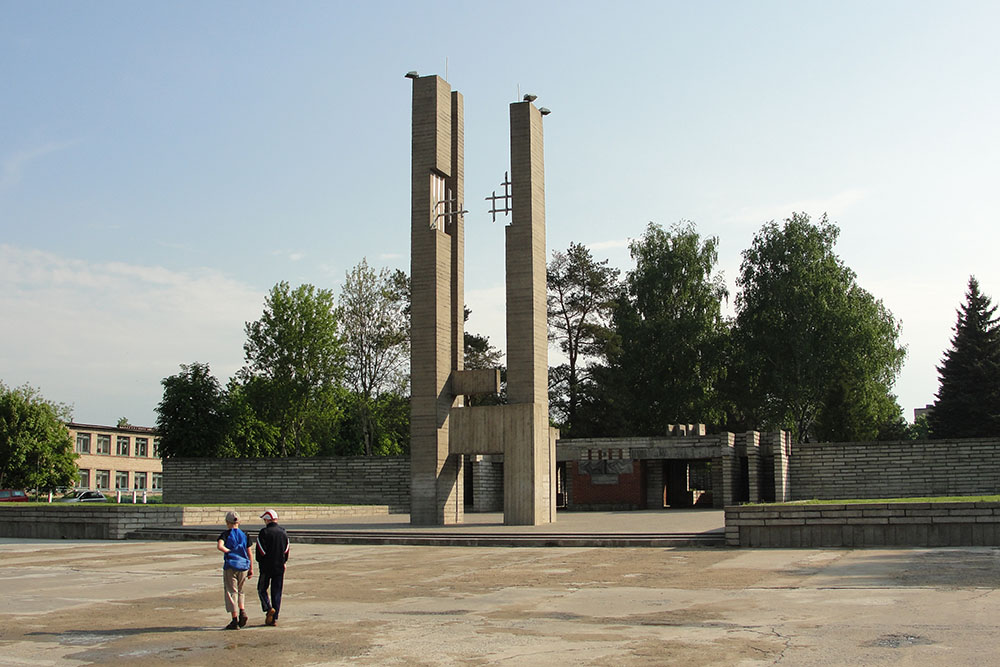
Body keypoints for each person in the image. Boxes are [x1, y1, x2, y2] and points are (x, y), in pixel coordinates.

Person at [216, 510, 253, 630]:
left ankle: (234, 618)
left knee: (231, 591)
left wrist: (228, 552)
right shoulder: (245, 535)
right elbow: (249, 552)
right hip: (243, 565)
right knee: (241, 590)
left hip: (231, 565)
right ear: (239, 522)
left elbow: (219, 546)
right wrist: (251, 567)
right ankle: (242, 610)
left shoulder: (226, 535)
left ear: (227, 522)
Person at [255, 508, 289, 626]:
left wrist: (261, 562)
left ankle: (268, 608)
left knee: (261, 588)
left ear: (267, 520)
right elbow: (286, 549)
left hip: (266, 566)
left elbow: (260, 550)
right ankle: (274, 617)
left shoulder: (264, 532)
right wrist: (283, 561)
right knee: (277, 591)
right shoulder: (283, 532)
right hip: (279, 566)